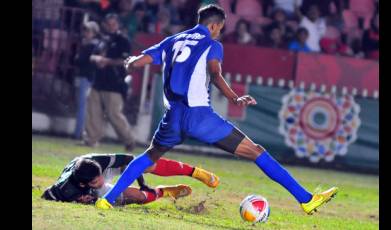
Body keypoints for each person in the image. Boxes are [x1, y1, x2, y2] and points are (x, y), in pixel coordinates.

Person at [96, 4, 338, 215]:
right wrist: (234, 97)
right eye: (220, 28)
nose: (219, 32)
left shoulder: (173, 40)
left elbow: (138, 62)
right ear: (214, 26)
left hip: (172, 116)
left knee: (149, 157)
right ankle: (306, 199)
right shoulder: (212, 44)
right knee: (256, 151)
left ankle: (107, 200)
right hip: (200, 116)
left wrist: (128, 63)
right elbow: (215, 73)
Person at [42, 153, 219, 205]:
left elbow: (130, 160)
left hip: (92, 170)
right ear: (83, 184)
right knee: (138, 197)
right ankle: (165, 192)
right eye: (96, 182)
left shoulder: (98, 162)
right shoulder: (64, 189)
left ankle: (195, 172)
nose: (101, 182)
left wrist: (143, 182)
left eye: (100, 177)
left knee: (145, 163)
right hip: (84, 188)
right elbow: (45, 195)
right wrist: (77, 200)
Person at [83, 14, 137, 151]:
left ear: (118, 24)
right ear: (106, 25)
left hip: (114, 84)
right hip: (98, 81)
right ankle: (91, 139)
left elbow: (125, 61)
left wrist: (107, 62)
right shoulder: (103, 40)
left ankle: (129, 140)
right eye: (109, 24)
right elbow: (93, 55)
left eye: (114, 24)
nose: (111, 27)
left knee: (114, 114)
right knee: (93, 112)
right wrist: (97, 59)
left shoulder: (123, 41)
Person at [73, 21, 100, 139]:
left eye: (88, 31)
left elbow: (83, 61)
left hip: (87, 77)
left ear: (94, 33)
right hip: (83, 76)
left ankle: (79, 133)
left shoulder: (93, 46)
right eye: (85, 30)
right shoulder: (86, 44)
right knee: (81, 105)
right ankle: (79, 132)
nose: (86, 33)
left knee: (83, 106)